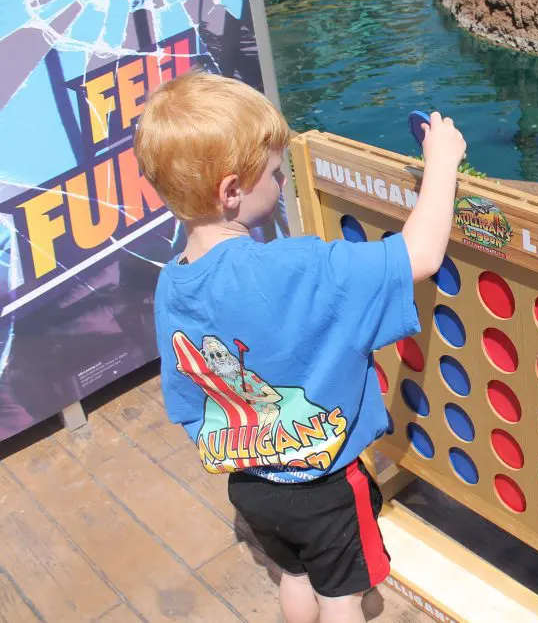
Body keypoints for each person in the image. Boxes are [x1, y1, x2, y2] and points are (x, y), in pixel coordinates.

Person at [134, 69, 466, 623]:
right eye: (275, 171)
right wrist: (441, 163)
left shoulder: (171, 286)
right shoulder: (300, 267)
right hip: (325, 486)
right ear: (231, 191)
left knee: (294, 575)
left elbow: (187, 400)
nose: (284, 181)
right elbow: (420, 255)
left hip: (252, 484)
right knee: (344, 598)